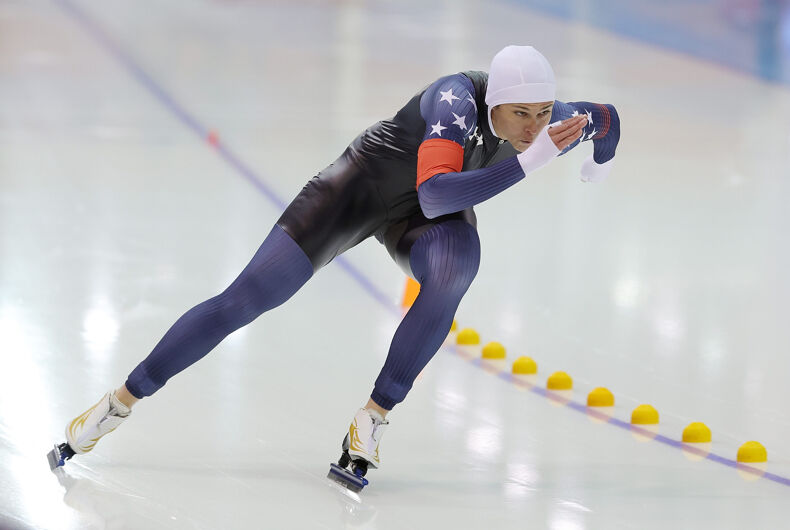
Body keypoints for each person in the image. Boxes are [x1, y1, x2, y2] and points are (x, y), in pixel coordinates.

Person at [49, 45, 620, 486]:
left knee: (454, 270)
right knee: (247, 298)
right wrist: (533, 163)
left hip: (417, 218)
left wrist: (598, 162)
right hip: (358, 189)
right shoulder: (454, 101)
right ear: (491, 100)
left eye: (541, 115)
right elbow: (439, 194)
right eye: (519, 114)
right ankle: (120, 400)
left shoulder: (553, 119)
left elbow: (607, 118)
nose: (531, 128)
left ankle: (371, 418)